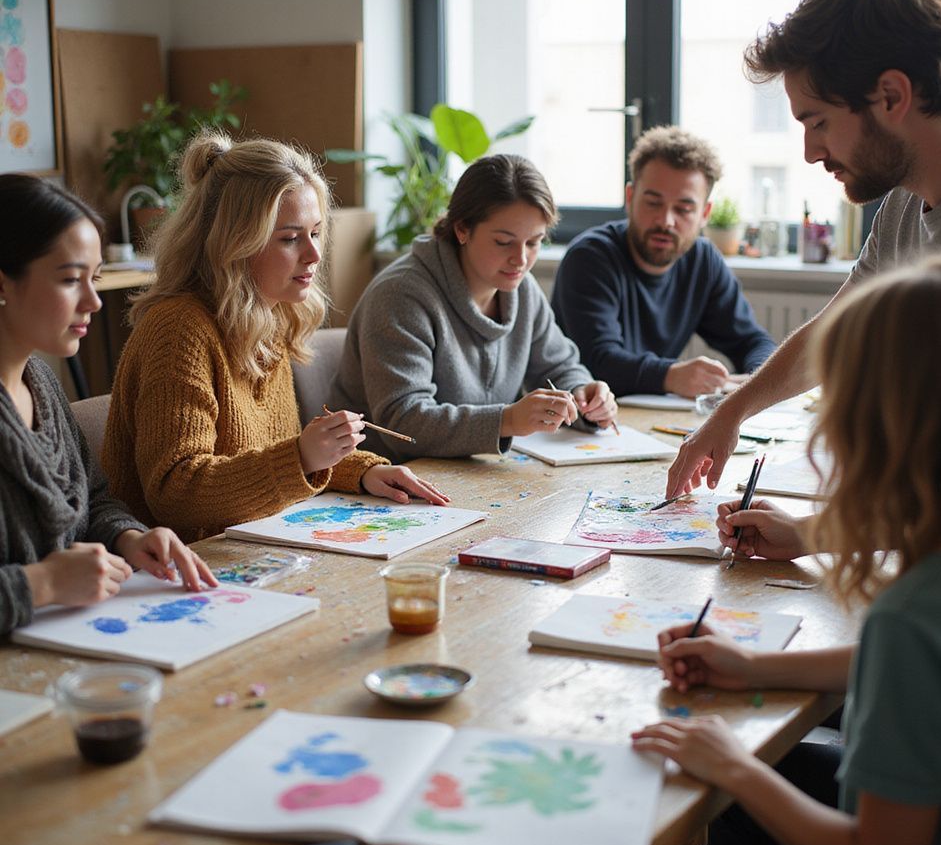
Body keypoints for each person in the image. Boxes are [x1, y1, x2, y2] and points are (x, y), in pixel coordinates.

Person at [618, 256, 941, 845]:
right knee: (753, 784)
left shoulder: (913, 617)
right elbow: (937, 668)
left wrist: (736, 769)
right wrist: (756, 666)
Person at [666, 0, 941, 499]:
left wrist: (825, 533)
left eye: (819, 122)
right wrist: (731, 414)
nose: (810, 152)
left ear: (891, 95)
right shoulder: (907, 196)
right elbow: (839, 330)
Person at [104, 134, 448, 545]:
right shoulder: (179, 330)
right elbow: (176, 493)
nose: (314, 255)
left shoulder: (271, 314)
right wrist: (303, 455)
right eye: (289, 238)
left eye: (316, 233)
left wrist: (363, 471)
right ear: (232, 244)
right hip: (182, 569)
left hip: (246, 551)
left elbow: (269, 456)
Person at [0, 175, 215, 636]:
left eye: (94, 279)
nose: (94, 302)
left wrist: (129, 537)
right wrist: (41, 584)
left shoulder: (40, 384)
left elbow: (94, 498)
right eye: (70, 280)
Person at [331, 153, 617, 460]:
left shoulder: (522, 290)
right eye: (504, 241)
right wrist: (507, 421)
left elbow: (558, 366)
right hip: (384, 483)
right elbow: (403, 422)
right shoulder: (401, 295)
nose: (520, 259)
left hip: (468, 475)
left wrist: (583, 393)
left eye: (534, 242)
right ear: (462, 229)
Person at [552, 127, 774, 397]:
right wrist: (671, 376)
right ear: (631, 198)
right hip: (577, 424)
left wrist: (756, 381)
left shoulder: (703, 261)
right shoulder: (589, 258)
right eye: (653, 203)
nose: (666, 221)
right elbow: (597, 362)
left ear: (705, 213)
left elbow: (752, 341)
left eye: (683, 209)